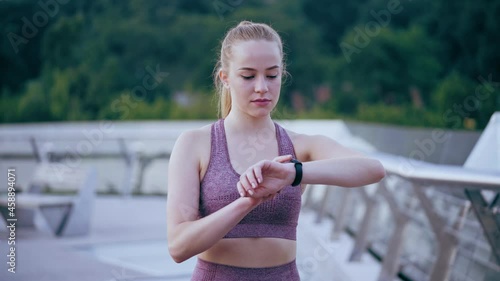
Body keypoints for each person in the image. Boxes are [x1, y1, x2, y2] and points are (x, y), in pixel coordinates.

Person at [166, 21, 385, 280]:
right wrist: (250, 201)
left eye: (272, 75)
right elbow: (179, 247)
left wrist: (293, 173)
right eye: (248, 76)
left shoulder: (300, 146)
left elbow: (373, 170)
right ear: (225, 78)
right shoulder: (195, 143)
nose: (262, 87)